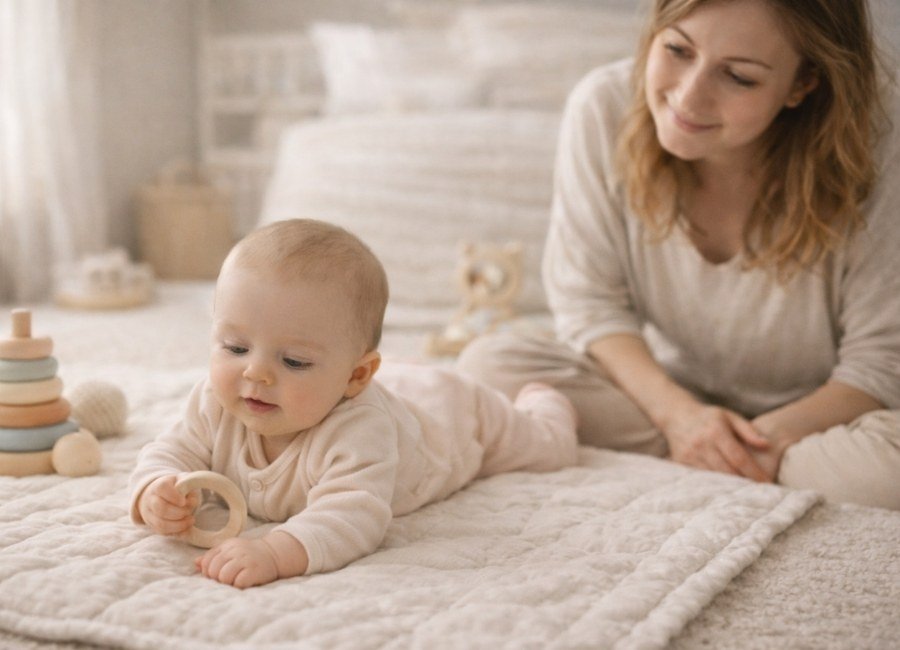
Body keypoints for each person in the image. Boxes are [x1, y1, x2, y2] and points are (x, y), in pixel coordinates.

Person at [458, 0, 900, 510]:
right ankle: (714, 457)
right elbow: (590, 304)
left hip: (825, 419)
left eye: (738, 76)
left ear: (804, 83)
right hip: (669, 397)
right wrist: (681, 418)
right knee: (491, 367)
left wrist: (763, 439)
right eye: (677, 50)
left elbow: (881, 362)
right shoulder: (603, 106)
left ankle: (712, 462)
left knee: (884, 471)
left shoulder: (881, 138)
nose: (688, 97)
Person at [129, 218, 577, 588]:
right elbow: (170, 450)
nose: (256, 373)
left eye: (294, 361)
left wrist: (274, 552)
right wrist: (155, 490)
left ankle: (545, 400)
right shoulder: (215, 401)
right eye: (235, 348)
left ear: (356, 376)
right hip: (397, 385)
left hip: (451, 413)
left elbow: (354, 515)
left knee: (548, 448)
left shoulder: (360, 430)